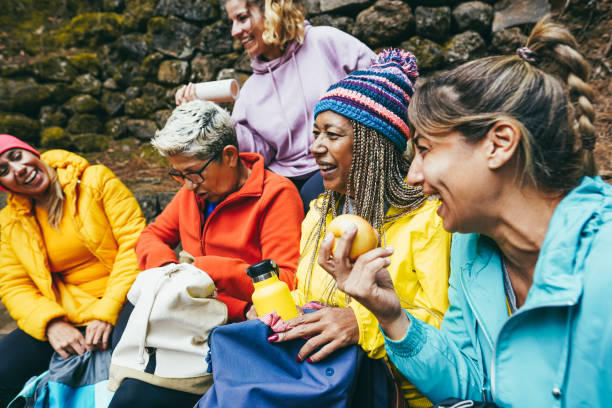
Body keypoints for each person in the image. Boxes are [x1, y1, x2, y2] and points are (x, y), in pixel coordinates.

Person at [322, 17, 612, 407]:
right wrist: (392, 316)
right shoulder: (471, 250)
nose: (413, 175)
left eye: (424, 149)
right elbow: (472, 382)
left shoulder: (603, 261)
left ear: (499, 144)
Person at [264, 50, 452, 407]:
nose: (315, 147)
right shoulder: (320, 213)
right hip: (324, 384)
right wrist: (283, 314)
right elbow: (307, 296)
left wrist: (360, 324)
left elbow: (441, 325)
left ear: (372, 146)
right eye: (316, 133)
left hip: (401, 395)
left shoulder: (427, 221)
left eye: (331, 135)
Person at [109, 100, 303, 408]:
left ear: (228, 155)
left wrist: (206, 271)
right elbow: (151, 236)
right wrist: (172, 274)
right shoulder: (193, 192)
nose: (186, 185)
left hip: (235, 330)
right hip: (186, 317)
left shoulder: (276, 195)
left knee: (132, 396)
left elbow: (288, 283)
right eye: (177, 174)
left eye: (192, 173)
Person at [175, 0, 375, 212]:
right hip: (287, 177)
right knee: (261, 201)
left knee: (310, 195)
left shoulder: (324, 41)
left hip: (343, 161)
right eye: (232, 22)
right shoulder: (251, 90)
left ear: (272, 10)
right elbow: (260, 153)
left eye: (242, 18)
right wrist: (212, 116)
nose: (235, 31)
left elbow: (382, 83)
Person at [0, 135, 145, 406]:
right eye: (3, 171)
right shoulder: (9, 222)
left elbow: (134, 243)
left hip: (125, 299)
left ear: (33, 153)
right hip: (66, 315)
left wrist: (107, 312)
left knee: (135, 371)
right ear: (3, 186)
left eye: (17, 156)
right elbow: (14, 285)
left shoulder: (95, 180)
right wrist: (51, 323)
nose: (17, 170)